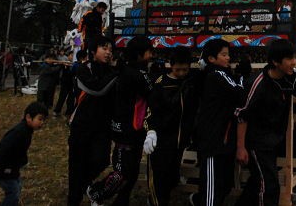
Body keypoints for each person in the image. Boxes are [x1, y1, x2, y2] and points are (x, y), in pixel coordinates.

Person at [235, 39, 296, 206]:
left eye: (293, 57)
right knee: (270, 185)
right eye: (288, 58)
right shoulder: (258, 83)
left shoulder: (290, 78)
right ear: (275, 62)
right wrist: (240, 147)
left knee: (258, 180)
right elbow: (241, 115)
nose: (293, 62)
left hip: (274, 140)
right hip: (256, 143)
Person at [87, 36, 154, 205]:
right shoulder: (137, 74)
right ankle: (96, 193)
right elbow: (152, 94)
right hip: (128, 130)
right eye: (149, 51)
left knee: (130, 171)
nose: (152, 54)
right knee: (122, 172)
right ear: (139, 54)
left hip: (126, 128)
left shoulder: (124, 70)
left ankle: (121, 201)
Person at [144, 47, 202, 206]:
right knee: (158, 179)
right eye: (178, 70)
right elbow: (150, 111)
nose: (182, 73)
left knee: (170, 178)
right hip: (161, 141)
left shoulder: (191, 81)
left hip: (180, 141)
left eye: (185, 69)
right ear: (170, 65)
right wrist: (151, 131)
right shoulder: (161, 84)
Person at [67, 36, 119, 206]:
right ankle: (74, 198)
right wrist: (116, 73)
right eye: (104, 48)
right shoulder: (83, 69)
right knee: (77, 164)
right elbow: (97, 89)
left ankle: (86, 187)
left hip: (103, 126)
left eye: (110, 49)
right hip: (81, 125)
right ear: (92, 51)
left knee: (101, 160)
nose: (108, 52)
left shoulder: (110, 70)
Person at [192, 39, 244, 206]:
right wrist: (242, 76)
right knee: (212, 190)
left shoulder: (218, 75)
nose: (228, 58)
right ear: (211, 59)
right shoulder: (217, 74)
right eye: (223, 55)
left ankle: (196, 200)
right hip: (213, 142)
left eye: (228, 54)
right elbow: (240, 94)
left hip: (222, 140)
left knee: (223, 185)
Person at [0, 101, 48, 206]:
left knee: (17, 186)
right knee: (13, 192)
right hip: (2, 169)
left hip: (11, 168)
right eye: (40, 119)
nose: (42, 122)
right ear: (28, 117)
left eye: (43, 120)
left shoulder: (26, 130)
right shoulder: (19, 132)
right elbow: (2, 149)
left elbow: (18, 151)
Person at [52, 48, 73, 117]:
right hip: (65, 83)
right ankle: (57, 111)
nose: (72, 57)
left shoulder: (75, 64)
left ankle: (69, 112)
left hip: (72, 84)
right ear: (68, 56)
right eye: (71, 55)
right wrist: (64, 65)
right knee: (62, 97)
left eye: (73, 55)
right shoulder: (64, 62)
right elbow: (57, 65)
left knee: (71, 98)